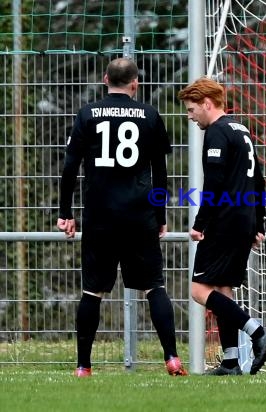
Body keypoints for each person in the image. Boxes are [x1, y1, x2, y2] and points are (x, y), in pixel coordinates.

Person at [57, 57, 187, 377]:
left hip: (100, 216)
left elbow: (70, 167)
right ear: (135, 83)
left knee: (93, 292)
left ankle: (84, 366)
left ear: (105, 79)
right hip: (139, 215)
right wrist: (161, 215)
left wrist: (66, 214)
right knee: (154, 287)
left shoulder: (88, 114)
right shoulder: (150, 115)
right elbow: (160, 173)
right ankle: (171, 357)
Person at [177, 77, 266, 376]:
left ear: (207, 104)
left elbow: (216, 183)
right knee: (222, 289)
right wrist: (258, 223)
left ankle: (257, 332)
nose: (190, 116)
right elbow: (258, 181)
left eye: (193, 110)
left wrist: (200, 222)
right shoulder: (241, 129)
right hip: (243, 220)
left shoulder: (218, 132)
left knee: (198, 290)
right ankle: (231, 361)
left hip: (224, 221)